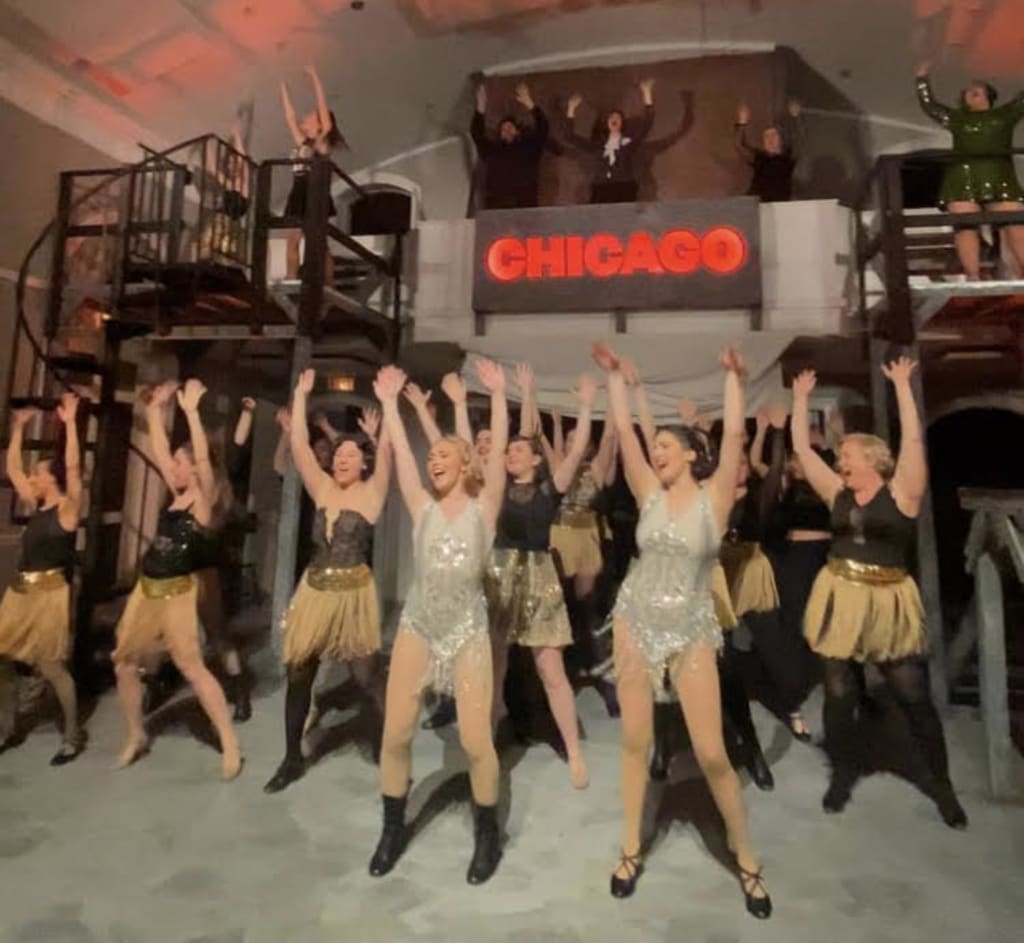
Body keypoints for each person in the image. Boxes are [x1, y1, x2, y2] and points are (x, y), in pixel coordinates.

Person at [591, 343, 771, 919]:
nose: (657, 453)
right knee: (634, 742)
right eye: (656, 449)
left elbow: (736, 436)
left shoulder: (715, 500)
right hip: (635, 623)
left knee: (712, 752)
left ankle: (747, 860)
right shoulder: (649, 493)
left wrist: (735, 381)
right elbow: (624, 430)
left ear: (694, 455)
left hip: (691, 628)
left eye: (667, 446)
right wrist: (614, 378)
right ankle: (629, 849)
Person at [791, 359, 967, 829]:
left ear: (873, 458)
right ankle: (842, 774)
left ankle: (942, 785)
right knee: (838, 693)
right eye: (840, 456)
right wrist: (800, 401)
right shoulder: (838, 494)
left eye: (848, 455)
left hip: (888, 598)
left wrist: (903, 388)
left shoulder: (903, 492)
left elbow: (913, 442)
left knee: (912, 695)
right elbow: (803, 452)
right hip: (841, 594)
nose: (840, 461)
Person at [368, 360, 508, 885]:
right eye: (433, 456)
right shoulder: (422, 507)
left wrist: (499, 396)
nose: (434, 459)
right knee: (396, 732)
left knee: (474, 740)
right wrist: (389, 405)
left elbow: (496, 456)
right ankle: (391, 828)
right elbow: (405, 458)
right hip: (419, 627)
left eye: (445, 454)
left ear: (467, 463)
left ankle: (488, 834)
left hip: (467, 631)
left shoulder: (484, 507)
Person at [264, 370, 393, 793]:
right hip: (315, 589)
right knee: (300, 672)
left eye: (351, 454)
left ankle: (389, 744)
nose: (341, 458)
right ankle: (291, 758)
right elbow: (301, 448)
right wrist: (301, 395)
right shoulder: (321, 488)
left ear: (363, 463)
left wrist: (386, 413)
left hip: (354, 593)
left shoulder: (371, 495)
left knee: (365, 676)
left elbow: (388, 455)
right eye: (338, 453)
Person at [111, 380, 243, 780]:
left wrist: (191, 413)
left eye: (180, 464)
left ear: (195, 469)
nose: (174, 467)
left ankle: (230, 743)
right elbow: (158, 449)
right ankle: (135, 734)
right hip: (146, 589)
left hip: (177, 593)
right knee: (124, 664)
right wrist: (155, 410)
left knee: (192, 668)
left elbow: (201, 458)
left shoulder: (203, 501)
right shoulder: (176, 493)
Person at [487, 365, 596, 789]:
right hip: (500, 576)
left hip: (539, 579)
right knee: (495, 667)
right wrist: (507, 395)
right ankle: (487, 743)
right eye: (508, 450)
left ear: (535, 459)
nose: (511, 454)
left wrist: (585, 407)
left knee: (551, 670)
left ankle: (575, 752)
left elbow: (577, 450)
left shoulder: (551, 488)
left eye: (519, 450)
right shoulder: (496, 488)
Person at [0, 394, 85, 764]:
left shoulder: (67, 509)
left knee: (51, 667)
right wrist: (18, 429)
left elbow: (74, 468)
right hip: (22, 590)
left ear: (52, 479)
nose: (32, 477)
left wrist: (71, 424)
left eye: (39, 473)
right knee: (2, 657)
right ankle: (7, 727)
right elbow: (14, 470)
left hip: (50, 593)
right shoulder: (37, 504)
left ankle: (72, 735)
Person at [915, 63, 1024, 279]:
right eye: (968, 91)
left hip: (999, 175)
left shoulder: (1005, 115)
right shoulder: (957, 118)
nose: (972, 91)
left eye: (978, 89)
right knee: (965, 227)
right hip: (962, 177)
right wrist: (921, 80)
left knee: (1016, 226)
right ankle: (972, 276)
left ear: (988, 95)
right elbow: (931, 107)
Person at [280, 65, 346, 280]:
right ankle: (291, 280)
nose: (305, 118)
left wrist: (315, 77)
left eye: (310, 117)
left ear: (318, 125)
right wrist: (283, 88)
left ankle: (327, 284)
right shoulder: (302, 141)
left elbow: (325, 115)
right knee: (292, 240)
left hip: (313, 190)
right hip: (298, 190)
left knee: (318, 243)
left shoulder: (321, 143)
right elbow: (290, 117)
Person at [563, 79, 656, 204]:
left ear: (622, 123)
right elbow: (570, 137)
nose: (614, 119)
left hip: (624, 186)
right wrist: (571, 108)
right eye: (611, 117)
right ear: (607, 123)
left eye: (618, 117)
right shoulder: (598, 145)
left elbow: (647, 124)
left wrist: (646, 92)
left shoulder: (628, 142)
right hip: (601, 187)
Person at [471, 82, 549, 210]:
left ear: (517, 131)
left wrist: (529, 103)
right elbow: (477, 134)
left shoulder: (529, 147)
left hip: (525, 206)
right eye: (503, 129)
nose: (507, 130)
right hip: (497, 207)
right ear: (500, 134)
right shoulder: (493, 150)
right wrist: (480, 107)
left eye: (510, 127)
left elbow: (543, 128)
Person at [734, 100, 802, 202]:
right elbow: (739, 146)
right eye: (766, 136)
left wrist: (795, 119)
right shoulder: (759, 157)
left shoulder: (787, 158)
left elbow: (799, 141)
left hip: (780, 204)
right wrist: (742, 123)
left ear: (780, 139)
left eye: (774, 135)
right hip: (757, 204)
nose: (770, 139)